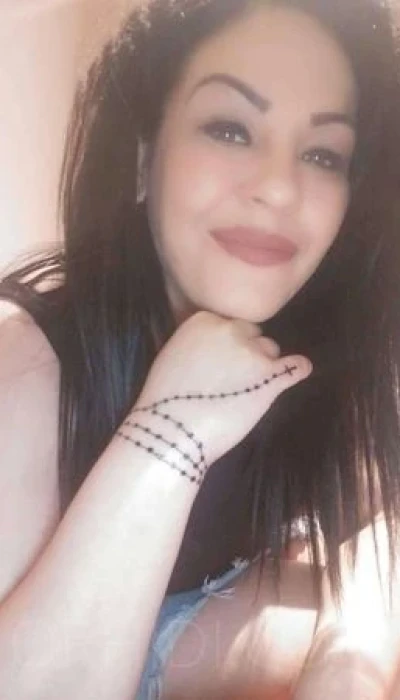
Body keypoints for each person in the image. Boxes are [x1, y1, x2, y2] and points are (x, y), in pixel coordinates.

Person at [0, 0, 400, 697]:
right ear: (142, 160)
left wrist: (350, 657)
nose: (278, 188)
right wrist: (171, 431)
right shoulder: (28, 360)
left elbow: (378, 514)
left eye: (322, 154)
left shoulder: (314, 354)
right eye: (230, 130)